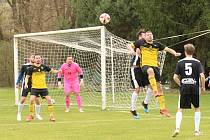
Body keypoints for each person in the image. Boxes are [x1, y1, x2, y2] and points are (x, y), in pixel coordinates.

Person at [139, 31, 181, 117]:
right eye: (148, 35)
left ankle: (163, 109)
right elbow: (130, 45)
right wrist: (131, 50)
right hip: (145, 66)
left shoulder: (157, 44)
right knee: (150, 71)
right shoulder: (141, 43)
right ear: (145, 37)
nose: (150, 36)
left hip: (155, 67)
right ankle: (154, 91)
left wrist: (174, 53)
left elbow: (168, 49)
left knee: (160, 89)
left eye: (151, 35)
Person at [172, 44, 205, 137]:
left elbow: (174, 77)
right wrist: (203, 87)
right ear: (193, 52)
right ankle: (196, 131)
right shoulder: (197, 62)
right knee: (197, 108)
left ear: (185, 52)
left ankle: (177, 128)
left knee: (180, 109)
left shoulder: (180, 62)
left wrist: (181, 84)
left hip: (184, 88)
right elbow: (202, 76)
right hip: (195, 87)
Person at [24, 55, 60, 122]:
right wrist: (26, 84)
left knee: (49, 100)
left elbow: (52, 71)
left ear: (41, 59)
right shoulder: (31, 68)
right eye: (36, 58)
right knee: (31, 100)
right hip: (35, 87)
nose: (38, 59)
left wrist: (59, 71)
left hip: (43, 87)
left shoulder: (44, 67)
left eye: (39, 58)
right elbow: (27, 77)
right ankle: (31, 115)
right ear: (34, 59)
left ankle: (51, 116)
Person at [127, 29, 153, 119]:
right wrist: (132, 50)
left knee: (151, 86)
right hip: (135, 69)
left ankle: (145, 103)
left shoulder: (147, 45)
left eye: (146, 35)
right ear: (139, 37)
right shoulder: (137, 44)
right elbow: (129, 45)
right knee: (137, 89)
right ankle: (133, 109)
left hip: (143, 68)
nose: (145, 37)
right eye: (143, 35)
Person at [16, 55, 42, 121]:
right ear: (29, 58)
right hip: (26, 85)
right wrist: (17, 82)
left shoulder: (38, 66)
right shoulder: (25, 66)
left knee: (37, 100)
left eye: (35, 57)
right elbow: (21, 75)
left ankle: (37, 115)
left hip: (35, 85)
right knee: (23, 99)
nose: (33, 58)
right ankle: (19, 114)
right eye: (32, 57)